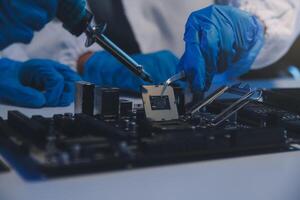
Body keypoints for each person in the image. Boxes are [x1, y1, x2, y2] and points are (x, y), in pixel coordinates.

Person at [1, 0, 299, 107]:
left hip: (234, 80)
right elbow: (39, 14)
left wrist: (252, 26)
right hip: (100, 83)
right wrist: (86, 59)